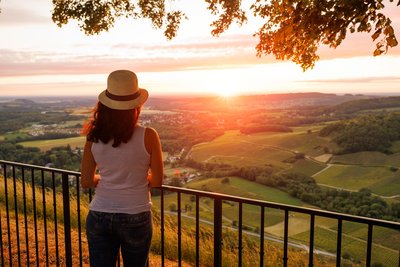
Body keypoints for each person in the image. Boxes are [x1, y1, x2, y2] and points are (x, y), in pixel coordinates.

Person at [80, 70, 164, 267]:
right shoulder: (149, 135)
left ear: (105, 104)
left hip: (99, 214)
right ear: (137, 105)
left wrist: (103, 179)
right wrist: (139, 180)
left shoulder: (93, 137)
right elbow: (158, 181)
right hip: (136, 214)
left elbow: (86, 181)